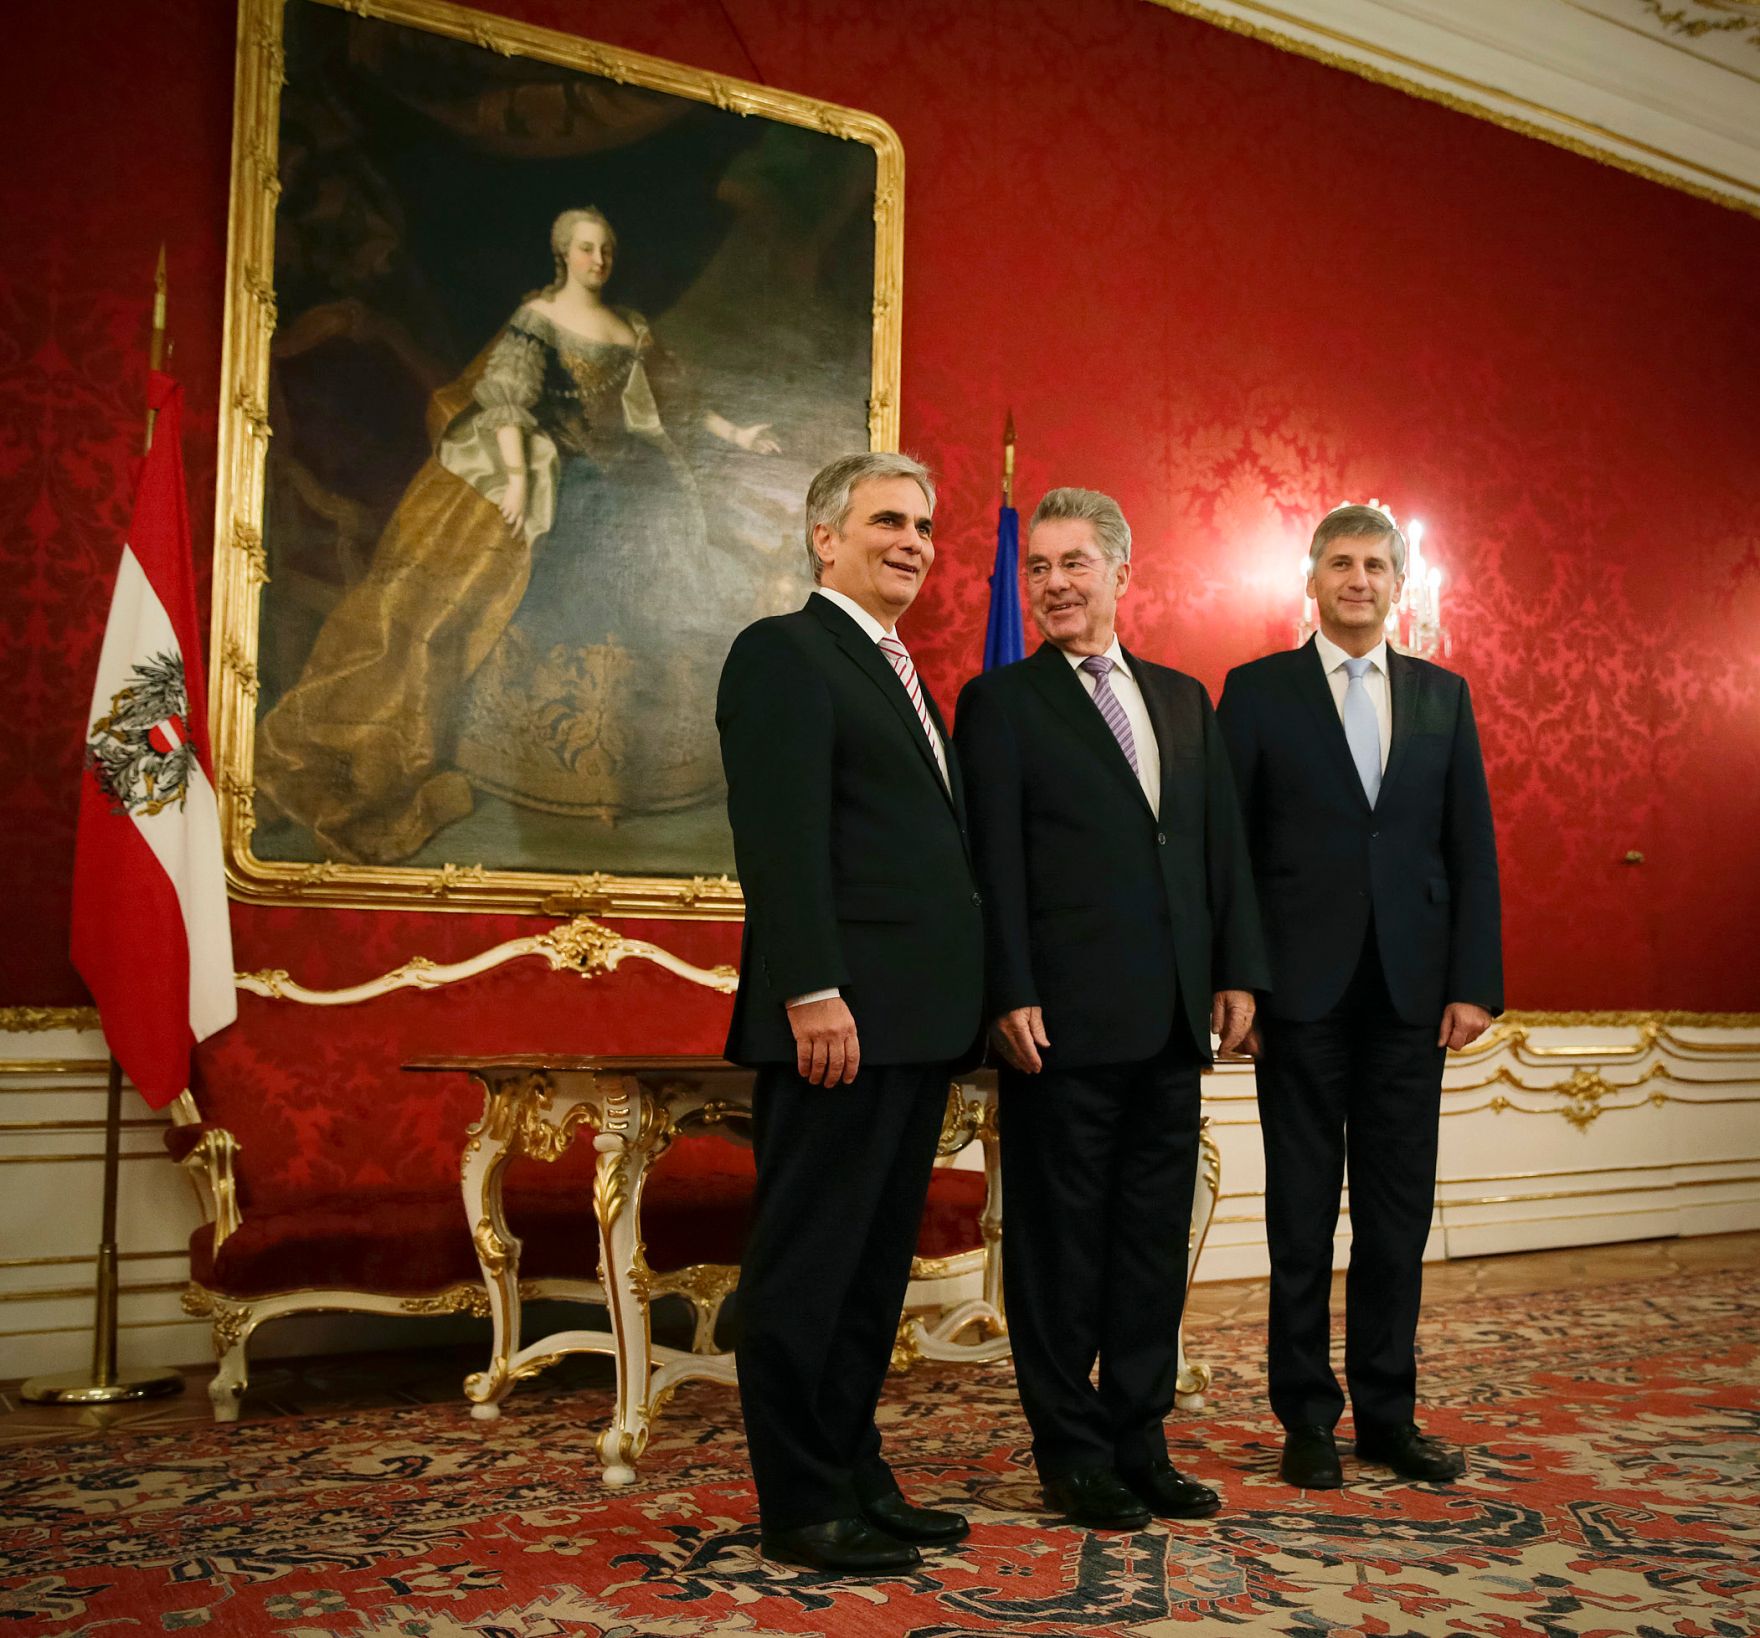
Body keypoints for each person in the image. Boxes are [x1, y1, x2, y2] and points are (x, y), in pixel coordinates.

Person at [257, 206, 778, 863]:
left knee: (673, 576)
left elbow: (677, 401)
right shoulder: (539, 320)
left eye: (606, 248)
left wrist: (739, 435)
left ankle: (641, 768)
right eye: (587, 248)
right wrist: (516, 479)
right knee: (560, 573)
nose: (599, 259)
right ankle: (538, 759)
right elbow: (504, 400)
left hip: (638, 478)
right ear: (563, 254)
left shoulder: (632, 327)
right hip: (562, 475)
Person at [953, 487, 1267, 1530]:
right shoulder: (997, 703)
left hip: (1173, 1024)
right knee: (1059, 1249)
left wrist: (1236, 973)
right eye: (1037, 567)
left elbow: (1217, 848)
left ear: (1120, 573)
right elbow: (989, 866)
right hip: (1060, 1030)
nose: (1051, 583)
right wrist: (1005, 990)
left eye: (1073, 563)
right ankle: (1070, 1452)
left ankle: (1139, 1440)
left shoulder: (1182, 701)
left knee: (1145, 1244)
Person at [717, 451, 985, 1574]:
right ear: (825, 538)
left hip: (915, 1026)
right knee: (807, 1269)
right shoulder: (784, 653)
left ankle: (852, 1471)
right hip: (838, 1022)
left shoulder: (905, 675)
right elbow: (780, 844)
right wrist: (810, 991)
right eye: (887, 520)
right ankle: (797, 1503)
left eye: (923, 525)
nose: (912, 542)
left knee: (874, 1276)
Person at [1217, 503, 1503, 1489]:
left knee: (1395, 1217)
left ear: (1397, 584)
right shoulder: (1254, 693)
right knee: (1299, 1214)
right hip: (1296, 994)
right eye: (1339, 562)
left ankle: (1386, 1414)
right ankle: (1304, 1418)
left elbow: (1468, 846)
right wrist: (1238, 980)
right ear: (1310, 578)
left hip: (1410, 998)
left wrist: (1473, 983)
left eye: (1375, 565)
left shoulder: (1442, 695)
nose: (1356, 579)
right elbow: (1232, 855)